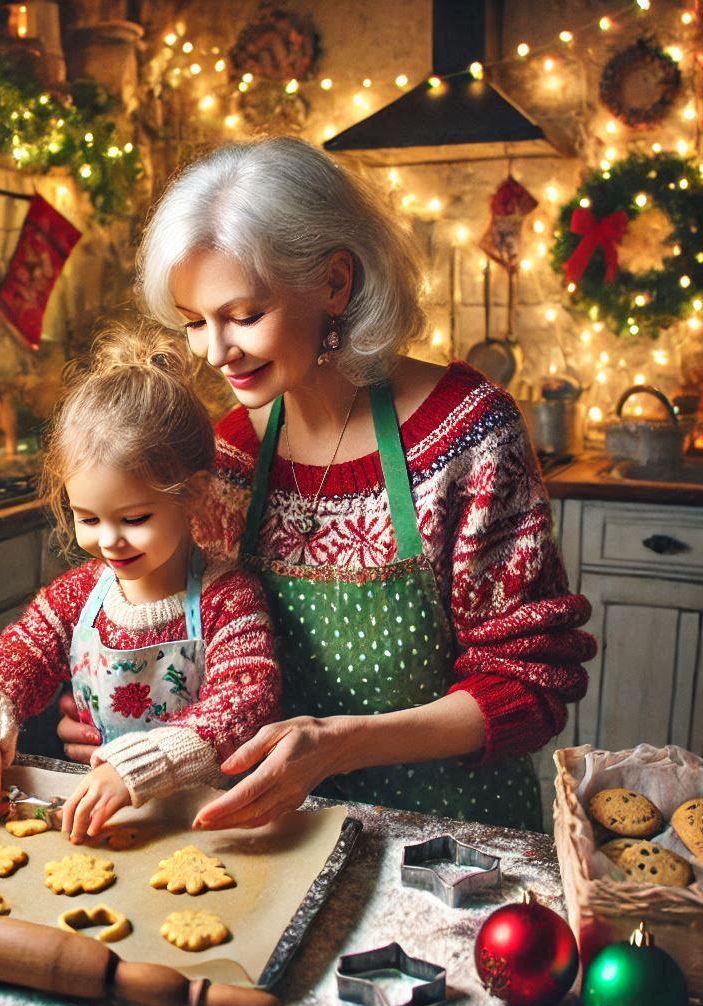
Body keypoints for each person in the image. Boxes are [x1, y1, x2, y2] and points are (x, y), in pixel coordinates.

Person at [58, 136, 596, 833]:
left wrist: (340, 745)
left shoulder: (467, 436)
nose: (216, 352)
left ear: (336, 283)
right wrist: (122, 705)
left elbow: (530, 685)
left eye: (244, 316)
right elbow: (185, 634)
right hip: (271, 834)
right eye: (196, 323)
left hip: (448, 833)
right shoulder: (224, 457)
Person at [0, 326, 281, 842]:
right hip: (98, 824)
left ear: (194, 495)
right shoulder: (76, 597)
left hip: (203, 829)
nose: (111, 541)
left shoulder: (227, 599)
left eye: (135, 517)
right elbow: (8, 661)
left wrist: (137, 767)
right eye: (89, 519)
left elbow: (246, 700)